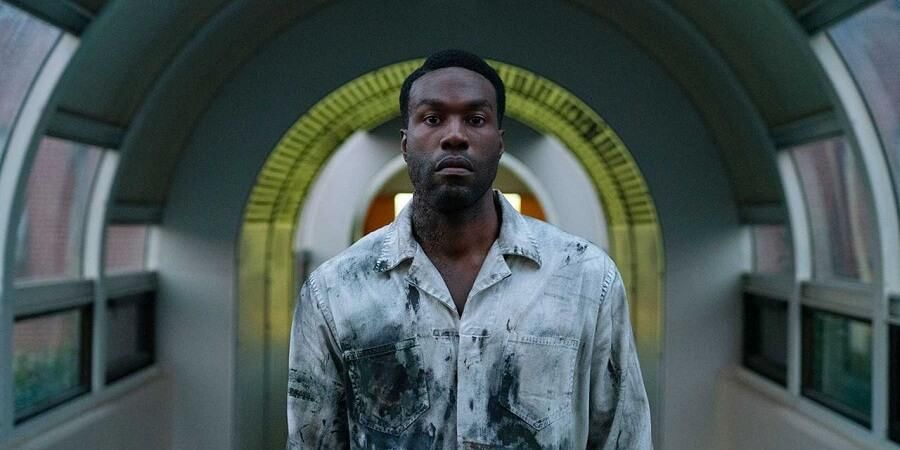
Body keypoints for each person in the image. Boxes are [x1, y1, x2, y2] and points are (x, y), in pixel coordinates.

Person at [287, 49, 652, 449]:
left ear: (499, 142)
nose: (455, 135)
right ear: (406, 144)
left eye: (476, 119)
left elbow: (623, 437)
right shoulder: (336, 290)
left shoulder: (584, 278)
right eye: (433, 118)